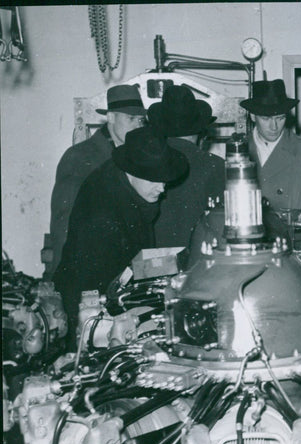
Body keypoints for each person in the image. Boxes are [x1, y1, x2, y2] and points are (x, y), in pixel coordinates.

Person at [54, 126, 188, 338]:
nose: (162, 189)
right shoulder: (102, 209)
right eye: (155, 180)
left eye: (164, 181)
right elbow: (95, 283)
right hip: (88, 304)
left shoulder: (125, 183)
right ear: (132, 172)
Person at [47, 84, 146, 279]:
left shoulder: (135, 156)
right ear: (110, 117)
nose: (138, 126)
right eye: (131, 119)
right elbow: (63, 221)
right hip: (87, 269)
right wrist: (60, 276)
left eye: (141, 120)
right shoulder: (80, 157)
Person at [148, 85, 225, 248]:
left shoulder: (145, 163)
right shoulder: (216, 166)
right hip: (201, 261)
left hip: (152, 262)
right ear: (201, 130)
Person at [240, 79, 301, 211]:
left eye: (280, 118)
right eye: (265, 118)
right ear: (252, 116)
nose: (274, 127)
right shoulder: (239, 150)